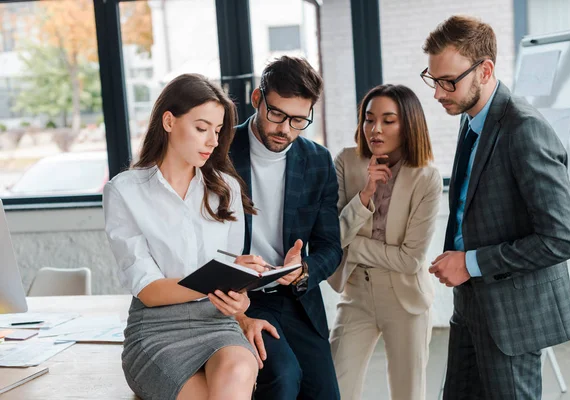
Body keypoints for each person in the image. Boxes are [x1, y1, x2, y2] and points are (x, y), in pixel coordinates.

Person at [422, 16, 570, 399]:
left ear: (485, 70)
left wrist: (471, 262)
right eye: (433, 79)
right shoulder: (471, 119)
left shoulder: (524, 130)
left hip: (513, 315)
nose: (438, 93)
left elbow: (562, 239)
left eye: (448, 81)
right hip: (471, 303)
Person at [103, 73, 267, 400]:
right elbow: (148, 290)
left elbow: (230, 282)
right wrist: (215, 281)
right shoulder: (124, 191)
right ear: (168, 121)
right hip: (156, 331)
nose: (212, 141)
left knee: (237, 369)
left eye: (218, 132)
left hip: (217, 323)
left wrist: (239, 298)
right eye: (201, 128)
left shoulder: (226, 189)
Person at [228, 56, 343, 399]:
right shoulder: (220, 151)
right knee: (282, 379)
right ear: (256, 99)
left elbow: (330, 246)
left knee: (324, 393)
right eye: (276, 114)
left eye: (298, 120)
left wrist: (303, 269)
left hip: (295, 298)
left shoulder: (317, 160)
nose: (285, 129)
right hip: (242, 297)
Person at [328, 84, 442, 400]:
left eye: (388, 120)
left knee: (408, 394)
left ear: (408, 125)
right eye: (369, 119)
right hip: (357, 295)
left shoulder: (426, 177)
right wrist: (364, 195)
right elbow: (331, 238)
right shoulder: (347, 162)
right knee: (334, 388)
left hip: (406, 299)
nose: (375, 129)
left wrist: (353, 246)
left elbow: (410, 260)